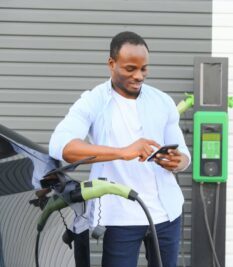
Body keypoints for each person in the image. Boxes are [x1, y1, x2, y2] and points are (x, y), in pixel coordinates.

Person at [49, 31, 191, 267]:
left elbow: (185, 155)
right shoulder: (93, 100)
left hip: (167, 214)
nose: (138, 76)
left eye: (144, 69)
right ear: (111, 64)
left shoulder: (163, 101)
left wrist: (179, 161)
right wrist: (122, 151)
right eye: (130, 68)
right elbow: (60, 146)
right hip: (120, 216)